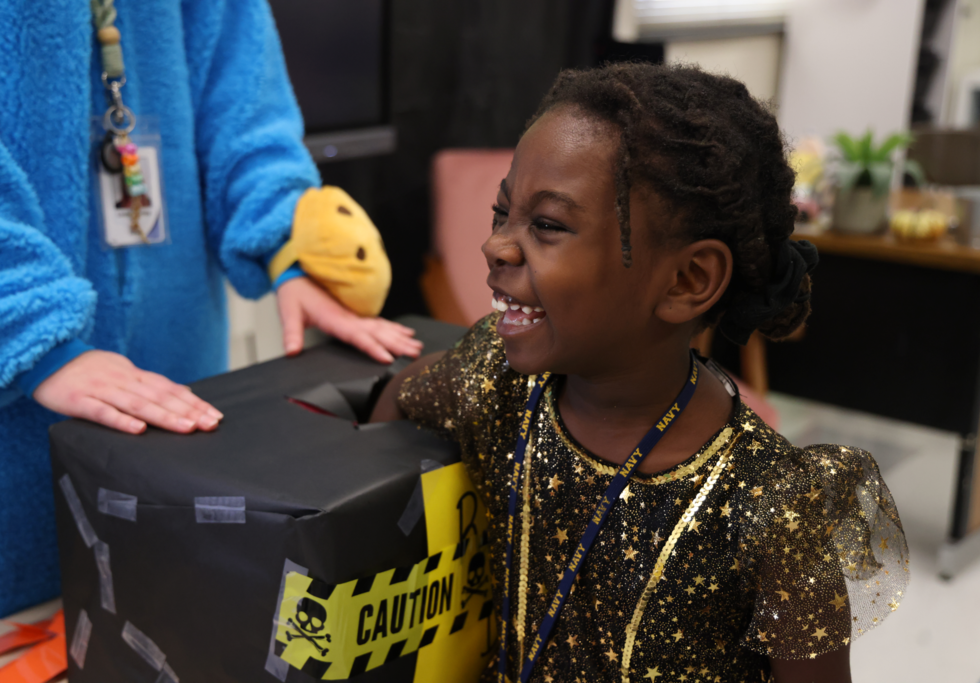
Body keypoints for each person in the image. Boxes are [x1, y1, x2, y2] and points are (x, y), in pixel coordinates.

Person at [372, 63, 907, 683]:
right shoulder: (494, 374)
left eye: (546, 225)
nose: (496, 246)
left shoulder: (771, 506)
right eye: (501, 214)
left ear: (687, 281)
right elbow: (394, 404)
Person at [0, 0, 420, 632]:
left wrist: (288, 244)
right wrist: (25, 327)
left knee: (176, 618)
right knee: (13, 630)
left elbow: (246, 102)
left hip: (180, 368)